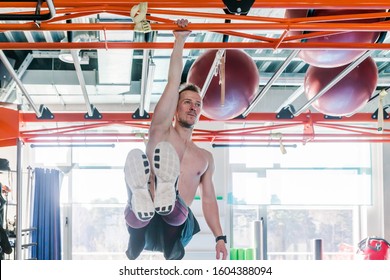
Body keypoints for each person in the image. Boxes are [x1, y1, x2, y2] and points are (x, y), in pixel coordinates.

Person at [123, 19, 228, 260]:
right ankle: (141, 221)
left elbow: (209, 200)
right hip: (145, 214)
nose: (193, 107)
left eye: (198, 104)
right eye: (187, 102)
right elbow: (173, 82)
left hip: (178, 227)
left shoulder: (205, 158)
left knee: (175, 210)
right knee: (140, 201)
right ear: (176, 108)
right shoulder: (161, 131)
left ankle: (165, 198)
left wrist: (220, 237)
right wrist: (179, 41)